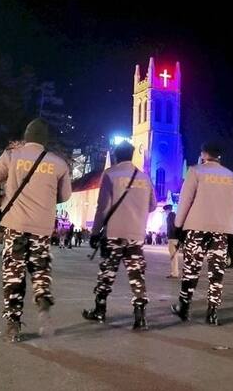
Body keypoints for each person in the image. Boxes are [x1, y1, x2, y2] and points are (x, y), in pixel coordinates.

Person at [0, 118, 72, 342]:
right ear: (45, 140)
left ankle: (13, 326)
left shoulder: (11, 155)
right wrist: (47, 196)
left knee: (14, 273)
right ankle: (43, 301)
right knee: (40, 269)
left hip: (16, 225)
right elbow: (66, 195)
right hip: (42, 227)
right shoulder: (59, 164)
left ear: (26, 136)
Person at [82, 141, 157, 330]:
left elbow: (102, 207)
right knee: (137, 275)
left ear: (115, 156)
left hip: (113, 234)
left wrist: (95, 232)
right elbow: (153, 205)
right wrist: (137, 212)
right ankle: (140, 317)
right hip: (136, 235)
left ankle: (100, 310)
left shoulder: (110, 174)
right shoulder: (144, 178)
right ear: (132, 155)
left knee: (107, 273)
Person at [171, 142, 233, 326]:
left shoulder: (195, 171)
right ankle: (212, 313)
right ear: (220, 155)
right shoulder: (231, 176)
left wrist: (178, 226)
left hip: (196, 228)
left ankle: (184, 307)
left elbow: (185, 201)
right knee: (216, 274)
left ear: (203, 154)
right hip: (221, 231)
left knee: (191, 270)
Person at [164, 204, 180, 279]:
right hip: (174, 238)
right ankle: (174, 272)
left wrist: (172, 236)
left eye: (165, 211)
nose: (165, 212)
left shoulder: (170, 216)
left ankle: (175, 273)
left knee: (173, 256)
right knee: (174, 256)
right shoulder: (174, 215)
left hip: (172, 238)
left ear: (167, 210)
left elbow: (172, 227)